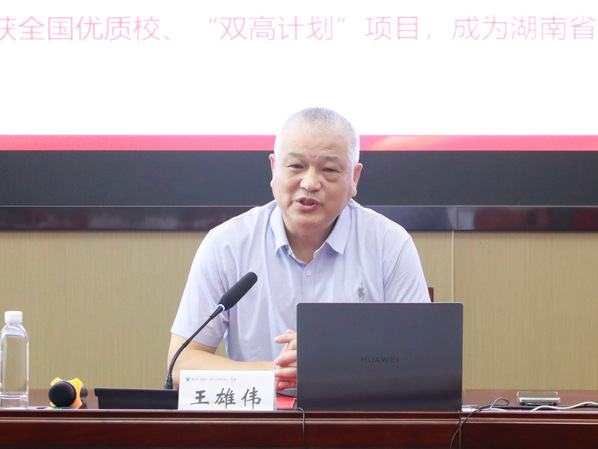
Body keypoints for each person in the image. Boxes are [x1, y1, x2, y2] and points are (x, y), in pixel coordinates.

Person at [168, 107, 430, 390]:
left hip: (354, 414)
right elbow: (181, 366)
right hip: (263, 416)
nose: (310, 183)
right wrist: (276, 373)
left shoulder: (389, 244)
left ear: (354, 178)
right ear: (274, 169)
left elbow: (422, 362)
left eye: (329, 169)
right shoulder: (226, 245)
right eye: (296, 166)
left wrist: (329, 363)